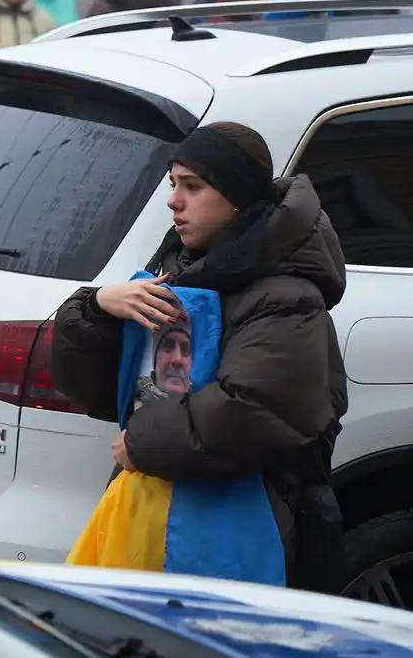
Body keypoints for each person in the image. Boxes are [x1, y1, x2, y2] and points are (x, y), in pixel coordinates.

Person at [48, 121, 348, 587]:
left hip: (239, 528)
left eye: (193, 186)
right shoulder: (177, 273)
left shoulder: (286, 296)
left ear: (237, 198)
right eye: (173, 184)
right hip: (154, 516)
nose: (174, 200)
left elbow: (252, 410)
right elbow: (106, 394)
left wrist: (141, 443)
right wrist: (96, 307)